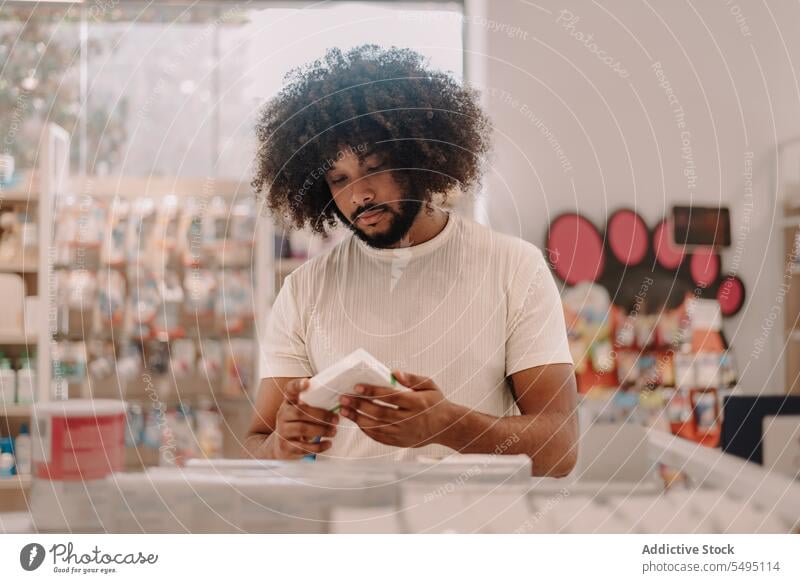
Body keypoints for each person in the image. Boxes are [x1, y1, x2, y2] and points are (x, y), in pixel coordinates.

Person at [246, 45, 578, 476]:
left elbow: (561, 449)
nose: (359, 194)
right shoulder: (304, 289)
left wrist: (447, 425)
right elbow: (254, 443)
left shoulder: (514, 268)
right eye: (339, 179)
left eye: (374, 167)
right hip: (344, 537)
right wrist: (279, 446)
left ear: (418, 157)